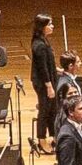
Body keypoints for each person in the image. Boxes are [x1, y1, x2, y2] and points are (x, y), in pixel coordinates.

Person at [29, 15, 58, 148]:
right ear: (42, 27)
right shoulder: (39, 44)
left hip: (49, 79)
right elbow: (42, 68)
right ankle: (41, 138)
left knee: (52, 109)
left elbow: (47, 62)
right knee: (45, 109)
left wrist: (57, 69)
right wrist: (49, 86)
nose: (52, 26)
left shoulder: (43, 41)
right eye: (50, 24)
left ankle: (54, 136)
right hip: (43, 83)